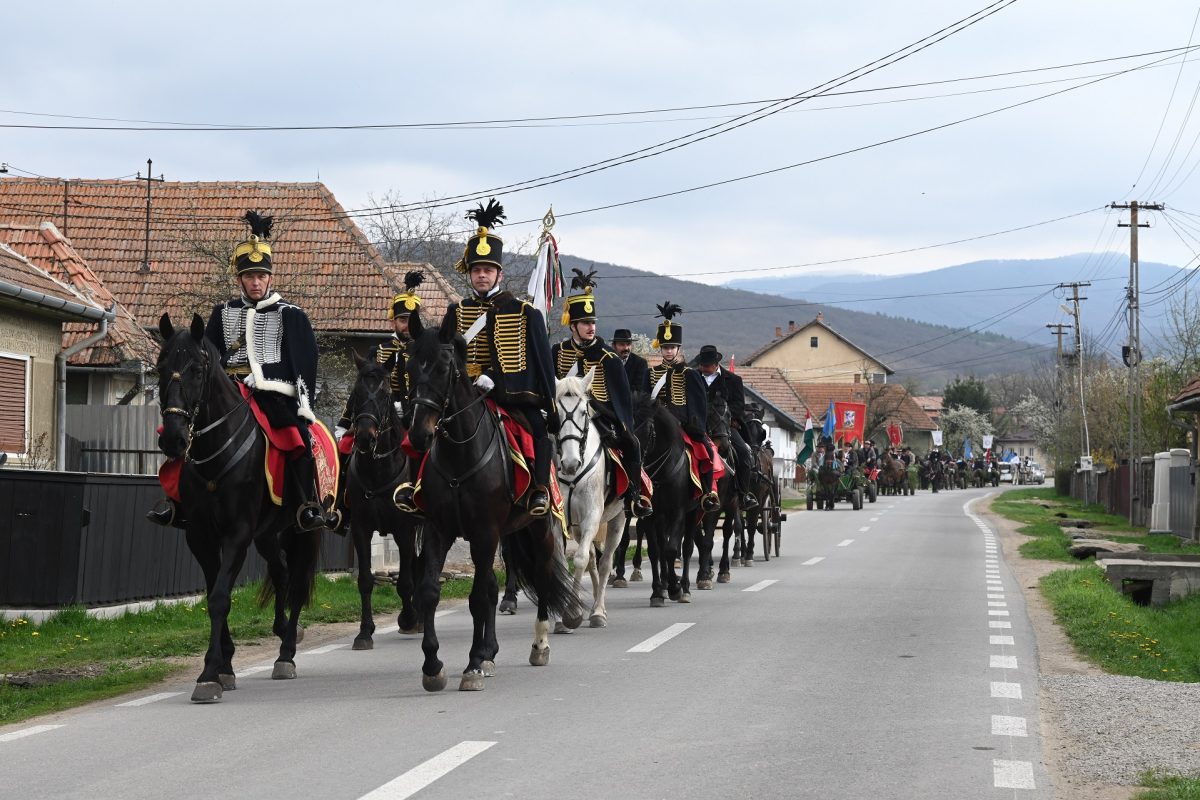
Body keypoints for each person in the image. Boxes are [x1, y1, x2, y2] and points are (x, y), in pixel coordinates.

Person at [147, 210, 333, 532]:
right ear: (240, 279)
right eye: (249, 277)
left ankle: (307, 504)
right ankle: (176, 504)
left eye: (261, 276)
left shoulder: (291, 315)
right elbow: (209, 355)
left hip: (274, 395)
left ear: (270, 277)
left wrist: (303, 406)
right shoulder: (223, 312)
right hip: (230, 391)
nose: (256, 282)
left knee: (297, 438)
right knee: (184, 433)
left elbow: (304, 363)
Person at [395, 199, 557, 516]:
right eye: (477, 270)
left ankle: (538, 490)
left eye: (488, 270)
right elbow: (444, 355)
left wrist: (541, 400)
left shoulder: (523, 312)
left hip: (511, 395)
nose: (482, 275)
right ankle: (416, 489)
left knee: (537, 429)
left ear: (499, 273)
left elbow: (539, 361)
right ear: (469, 274)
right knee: (423, 428)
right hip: (463, 395)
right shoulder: (457, 311)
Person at [552, 269, 652, 518]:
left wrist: (615, 418)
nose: (591, 327)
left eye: (593, 323)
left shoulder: (609, 357)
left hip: (600, 415)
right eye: (586, 323)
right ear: (572, 325)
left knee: (632, 443)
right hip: (562, 415)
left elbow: (621, 398)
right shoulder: (556, 351)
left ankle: (633, 496)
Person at [335, 271, 425, 440]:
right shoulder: (378, 351)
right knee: (346, 450)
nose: (408, 326)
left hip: (417, 421)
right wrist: (344, 423)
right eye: (403, 320)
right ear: (393, 322)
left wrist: (408, 407)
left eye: (413, 320)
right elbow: (360, 391)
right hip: (381, 420)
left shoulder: (424, 353)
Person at [648, 302, 719, 512]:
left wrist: (695, 426)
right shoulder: (651, 373)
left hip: (683, 425)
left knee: (706, 450)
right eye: (665, 347)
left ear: (678, 348)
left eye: (671, 347)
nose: (668, 351)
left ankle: (707, 493)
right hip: (656, 425)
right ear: (660, 348)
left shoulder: (690, 374)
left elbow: (699, 405)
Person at [694, 344, 759, 511]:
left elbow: (738, 405)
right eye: (702, 365)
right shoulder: (693, 377)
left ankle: (744, 494)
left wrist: (727, 417)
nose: (704, 368)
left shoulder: (734, 380)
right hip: (699, 426)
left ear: (716, 364)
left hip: (725, 427)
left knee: (744, 453)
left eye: (707, 366)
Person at [611, 328, 651, 395]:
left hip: (632, 403)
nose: (626, 348)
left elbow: (639, 390)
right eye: (622, 344)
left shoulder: (640, 363)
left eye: (628, 344)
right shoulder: (608, 362)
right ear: (614, 346)